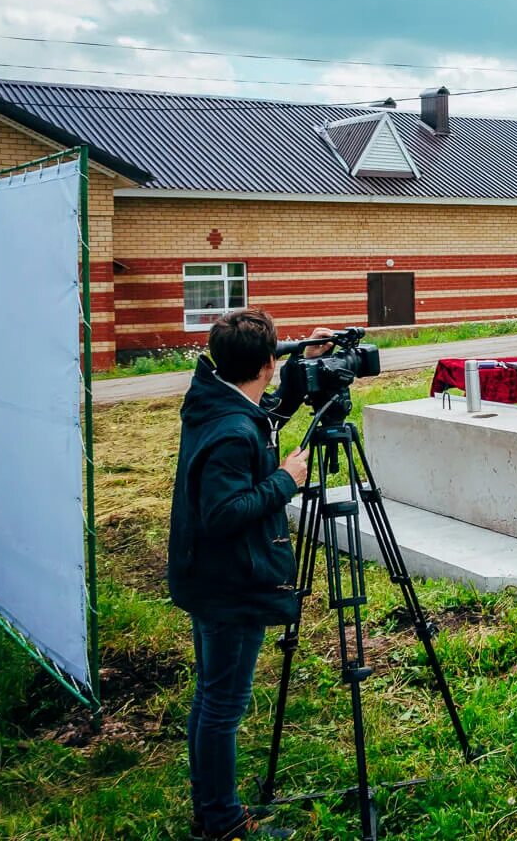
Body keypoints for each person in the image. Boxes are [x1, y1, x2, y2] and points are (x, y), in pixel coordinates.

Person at [168, 311, 336, 840]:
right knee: (223, 704)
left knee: (211, 695)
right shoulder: (232, 433)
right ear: (265, 362)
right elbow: (223, 514)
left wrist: (297, 372)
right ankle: (221, 821)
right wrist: (286, 480)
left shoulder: (219, 401)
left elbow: (261, 416)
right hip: (229, 584)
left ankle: (210, 809)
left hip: (208, 576)